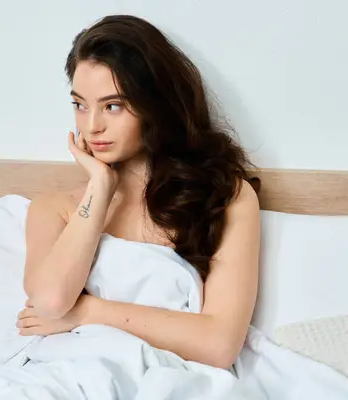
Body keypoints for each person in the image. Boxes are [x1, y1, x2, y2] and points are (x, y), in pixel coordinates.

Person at [17, 14, 261, 370]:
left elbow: (219, 346)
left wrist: (87, 312)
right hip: (65, 373)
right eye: (80, 105)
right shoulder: (54, 208)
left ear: (154, 107)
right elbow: (51, 302)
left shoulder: (225, 197)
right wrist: (99, 189)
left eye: (112, 106)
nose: (92, 125)